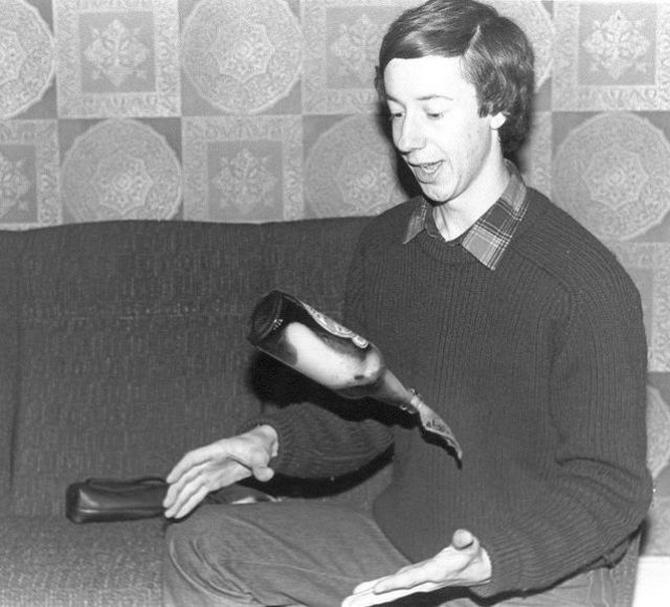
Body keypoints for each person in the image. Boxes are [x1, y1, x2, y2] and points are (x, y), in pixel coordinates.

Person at [162, 1, 653, 605]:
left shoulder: (583, 284)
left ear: (497, 106)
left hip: (531, 569)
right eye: (396, 112)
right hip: (402, 545)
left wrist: (492, 561)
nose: (407, 140)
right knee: (205, 547)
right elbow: (374, 411)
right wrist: (267, 444)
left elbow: (613, 487)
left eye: (433, 112)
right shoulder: (385, 248)